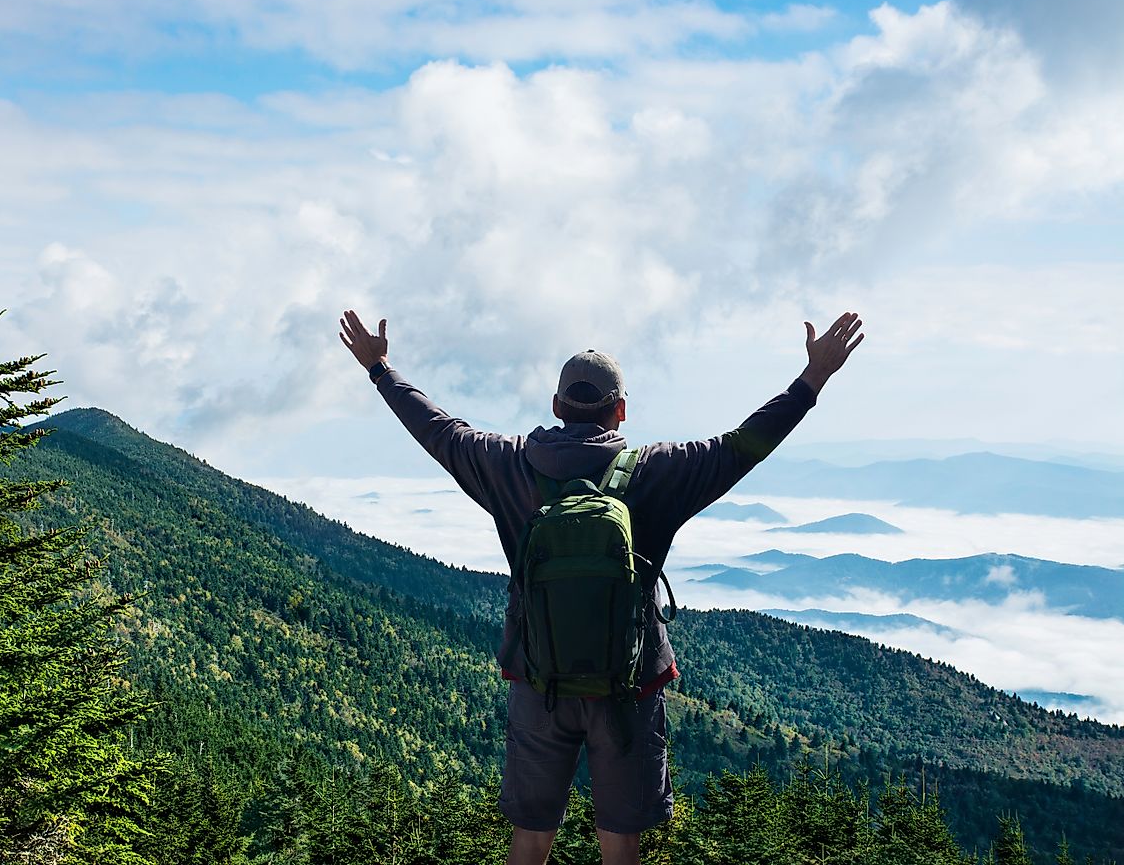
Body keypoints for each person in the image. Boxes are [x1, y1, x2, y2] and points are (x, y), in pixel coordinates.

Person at [338, 308, 864, 865]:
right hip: (628, 687)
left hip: (538, 680)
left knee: (532, 837)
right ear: (621, 411)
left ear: (557, 407)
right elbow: (743, 446)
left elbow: (439, 430)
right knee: (620, 843)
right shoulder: (660, 470)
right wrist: (813, 380)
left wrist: (380, 369)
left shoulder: (507, 463)